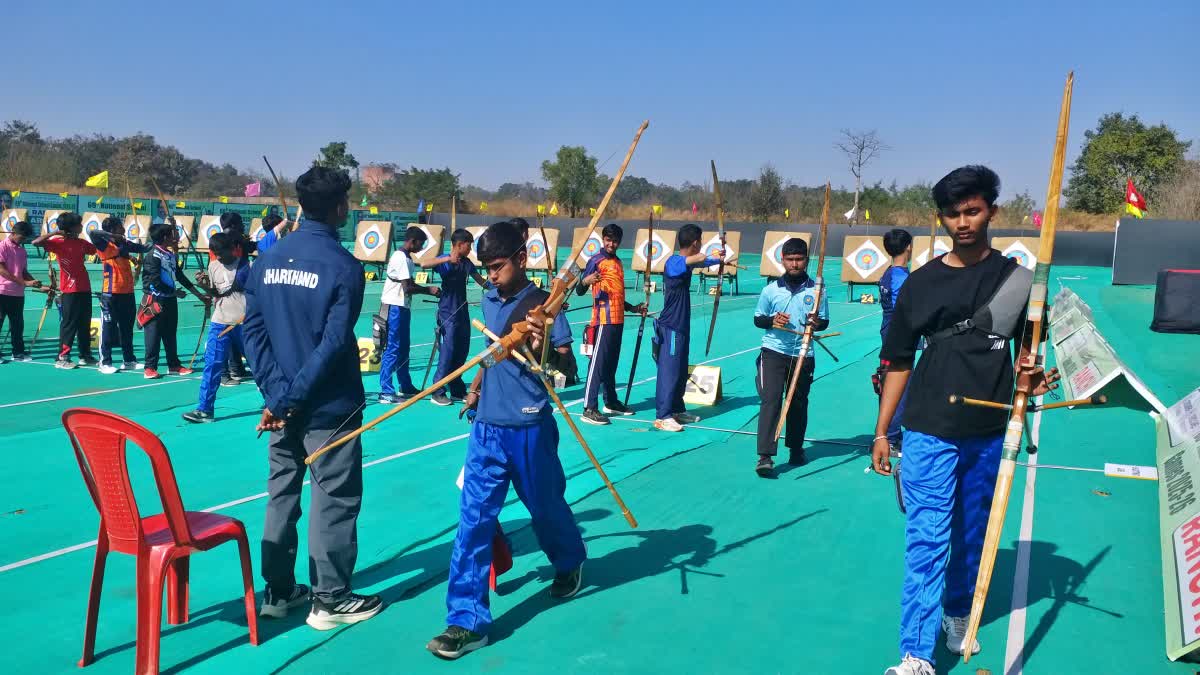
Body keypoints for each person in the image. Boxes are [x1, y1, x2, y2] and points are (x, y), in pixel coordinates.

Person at [871, 166, 1060, 675]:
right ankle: (915, 653)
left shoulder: (1020, 282)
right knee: (928, 539)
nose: (963, 222)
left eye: (972, 211)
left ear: (991, 212)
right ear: (941, 219)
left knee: (972, 534)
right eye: (953, 214)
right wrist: (884, 431)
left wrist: (1030, 376)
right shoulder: (920, 284)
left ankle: (957, 612)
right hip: (928, 429)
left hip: (989, 433)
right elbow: (898, 362)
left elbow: (1029, 354)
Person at [427, 220, 585, 660]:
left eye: (498, 267)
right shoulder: (489, 298)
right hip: (487, 430)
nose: (492, 276)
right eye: (487, 269)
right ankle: (466, 621)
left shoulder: (544, 305)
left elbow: (568, 370)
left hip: (530, 428)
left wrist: (543, 344)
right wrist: (477, 387)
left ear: (521, 258)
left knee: (546, 508)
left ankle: (569, 560)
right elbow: (491, 353)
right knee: (473, 521)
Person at [242, 166, 383, 630]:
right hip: (327, 407)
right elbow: (333, 344)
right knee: (334, 498)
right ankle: (330, 598)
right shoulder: (344, 266)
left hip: (281, 406)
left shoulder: (267, 260)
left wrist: (277, 397)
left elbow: (252, 333)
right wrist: (291, 399)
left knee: (281, 493)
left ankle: (278, 591)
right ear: (341, 208)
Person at [752, 237, 829, 476]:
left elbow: (824, 321)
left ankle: (796, 448)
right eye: (790, 259)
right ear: (782, 260)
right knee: (771, 400)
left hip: (803, 353)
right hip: (773, 351)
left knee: (798, 402)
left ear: (806, 260)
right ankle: (765, 456)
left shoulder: (817, 290)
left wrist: (816, 323)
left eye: (799, 259)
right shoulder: (770, 290)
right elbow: (758, 319)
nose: (794, 264)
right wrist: (772, 320)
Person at [652, 223, 724, 432]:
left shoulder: (686, 264)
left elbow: (699, 262)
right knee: (670, 372)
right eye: (700, 241)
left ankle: (676, 410)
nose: (701, 245)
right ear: (695, 243)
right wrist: (705, 256)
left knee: (681, 370)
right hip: (671, 326)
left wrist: (718, 259)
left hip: (681, 326)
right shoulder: (673, 262)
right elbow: (692, 261)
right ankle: (663, 416)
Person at [576, 223, 643, 425]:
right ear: (603, 239)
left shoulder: (618, 262)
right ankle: (589, 408)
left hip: (617, 319)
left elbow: (616, 295)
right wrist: (586, 281)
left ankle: (611, 401)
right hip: (603, 320)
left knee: (611, 364)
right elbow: (579, 290)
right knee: (597, 365)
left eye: (614, 241)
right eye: (608, 240)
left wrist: (632, 308)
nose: (611, 244)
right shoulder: (596, 260)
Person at [182, 233, 250, 423]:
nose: (219, 257)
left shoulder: (247, 267)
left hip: (244, 323)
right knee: (212, 365)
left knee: (259, 364)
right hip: (219, 322)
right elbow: (216, 293)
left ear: (233, 248)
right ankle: (205, 410)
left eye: (222, 252)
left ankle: (275, 405)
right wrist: (204, 286)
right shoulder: (213, 266)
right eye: (216, 253)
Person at [418, 228, 487, 405]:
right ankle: (437, 391)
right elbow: (423, 263)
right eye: (468, 246)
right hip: (447, 312)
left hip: (462, 311)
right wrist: (447, 259)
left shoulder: (467, 263)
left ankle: (456, 388)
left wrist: (498, 284)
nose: (470, 249)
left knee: (462, 350)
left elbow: (481, 281)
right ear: (460, 244)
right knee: (448, 351)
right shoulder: (444, 260)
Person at [140, 221, 209, 379]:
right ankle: (149, 367)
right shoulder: (153, 256)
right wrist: (174, 292)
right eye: (172, 234)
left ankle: (174, 365)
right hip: (154, 300)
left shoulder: (169, 255)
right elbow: (154, 281)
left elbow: (180, 277)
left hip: (169, 300)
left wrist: (199, 295)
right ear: (165, 237)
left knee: (170, 333)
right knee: (153, 334)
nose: (176, 238)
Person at [379, 226, 439, 403]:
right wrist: (428, 290)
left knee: (403, 348)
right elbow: (407, 288)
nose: (421, 247)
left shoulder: (406, 257)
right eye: (421, 244)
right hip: (394, 307)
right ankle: (386, 392)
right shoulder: (401, 258)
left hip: (402, 307)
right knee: (392, 348)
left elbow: (409, 284)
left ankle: (405, 386)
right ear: (412, 241)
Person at [31, 212, 97, 369]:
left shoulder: (81, 243)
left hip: (84, 287)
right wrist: (56, 232)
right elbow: (35, 242)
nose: (82, 226)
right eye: (78, 224)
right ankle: (62, 357)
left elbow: (94, 250)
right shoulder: (58, 242)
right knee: (69, 323)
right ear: (71, 227)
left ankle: (85, 355)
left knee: (84, 323)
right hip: (69, 289)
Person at [89, 216, 152, 374]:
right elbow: (92, 233)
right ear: (112, 229)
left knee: (126, 328)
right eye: (120, 227)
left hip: (127, 292)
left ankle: (129, 360)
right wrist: (112, 236)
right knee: (108, 328)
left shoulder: (124, 243)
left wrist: (157, 242)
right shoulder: (104, 243)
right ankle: (105, 362)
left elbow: (143, 248)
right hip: (110, 292)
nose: (123, 229)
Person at [877, 228, 915, 448]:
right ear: (908, 247)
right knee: (899, 383)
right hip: (897, 335)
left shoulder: (890, 273)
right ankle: (890, 436)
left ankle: (892, 434)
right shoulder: (900, 277)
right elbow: (905, 309)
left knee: (894, 381)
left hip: (890, 331)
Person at [0, 221, 43, 362]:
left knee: (17, 325)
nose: (23, 240)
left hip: (17, 294)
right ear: (13, 233)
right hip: (2, 291)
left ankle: (18, 352)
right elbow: (2, 270)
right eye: (22, 237)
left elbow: (23, 272)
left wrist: (37, 284)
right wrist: (24, 283)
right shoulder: (2, 246)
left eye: (25, 238)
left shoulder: (22, 251)